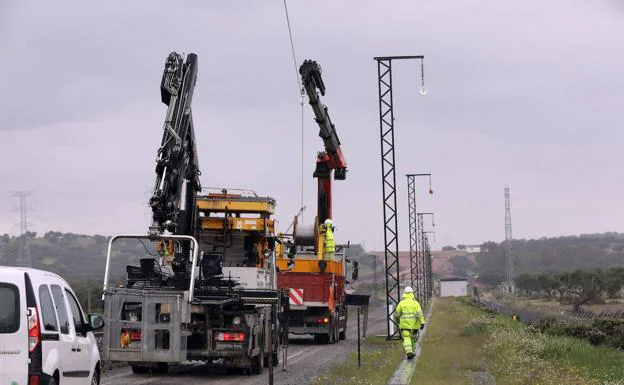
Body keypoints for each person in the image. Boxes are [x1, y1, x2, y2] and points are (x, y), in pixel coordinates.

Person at [393, 286, 425, 360]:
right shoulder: (416, 303)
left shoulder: (401, 303)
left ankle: (408, 352)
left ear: (404, 293)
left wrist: (398, 322)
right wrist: (422, 322)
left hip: (404, 326)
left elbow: (397, 314)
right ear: (412, 293)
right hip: (414, 326)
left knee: (406, 338)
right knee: (413, 338)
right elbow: (419, 314)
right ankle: (412, 351)